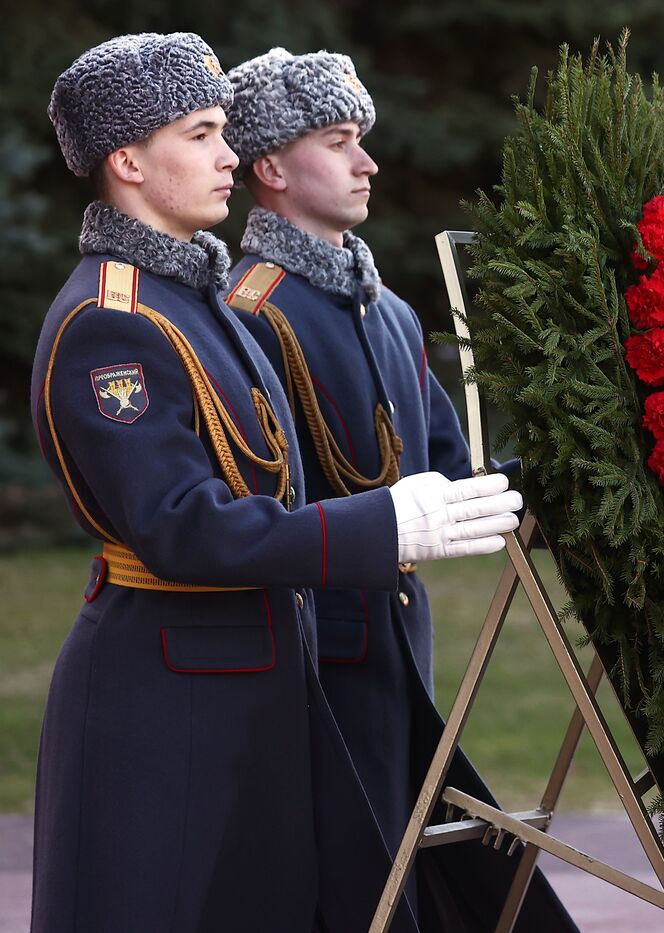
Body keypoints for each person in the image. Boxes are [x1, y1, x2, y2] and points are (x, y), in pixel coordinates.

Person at [32, 33, 521, 933]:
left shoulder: (197, 298)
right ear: (129, 160)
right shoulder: (114, 320)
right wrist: (381, 530)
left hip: (247, 683)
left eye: (225, 130)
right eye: (201, 132)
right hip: (167, 696)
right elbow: (181, 526)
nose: (229, 155)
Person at [220, 48, 576, 930]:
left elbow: (455, 479)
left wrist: (569, 467)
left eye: (362, 141)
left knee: (418, 877)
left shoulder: (390, 311)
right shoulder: (248, 310)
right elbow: (263, 511)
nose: (367, 162)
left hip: (398, 654)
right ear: (270, 168)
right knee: (344, 886)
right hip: (308, 666)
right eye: (339, 142)